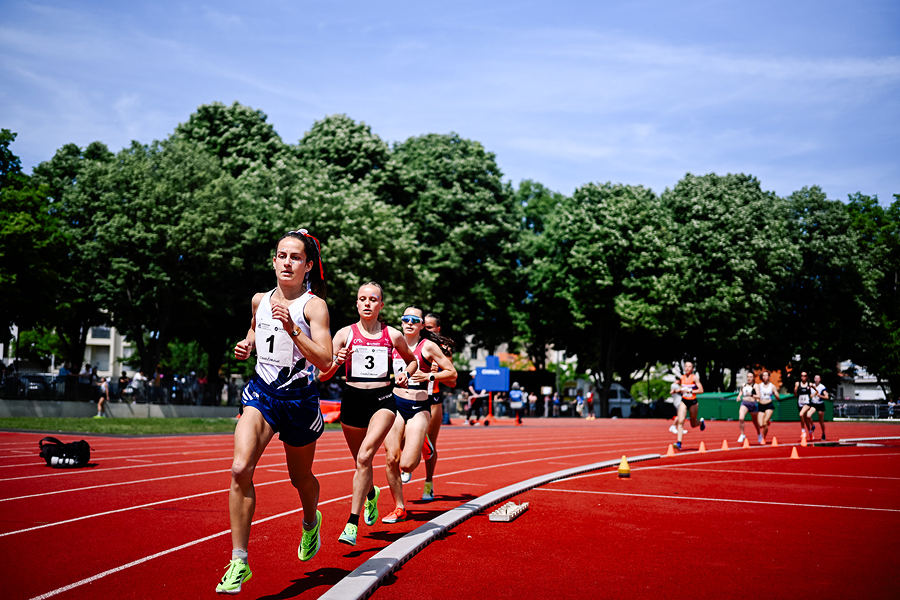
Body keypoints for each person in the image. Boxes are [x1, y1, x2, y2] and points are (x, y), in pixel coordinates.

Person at [216, 229, 333, 595]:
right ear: (274, 260)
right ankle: (239, 560)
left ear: (308, 266)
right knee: (239, 468)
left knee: (300, 479)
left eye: (295, 257)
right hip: (262, 394)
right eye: (281, 255)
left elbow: (326, 360)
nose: (287, 262)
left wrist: (293, 328)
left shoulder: (313, 306)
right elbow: (254, 329)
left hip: (299, 401)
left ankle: (311, 521)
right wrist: (246, 345)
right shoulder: (259, 300)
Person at [319, 282, 418, 546]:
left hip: (382, 400)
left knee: (365, 456)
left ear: (381, 305)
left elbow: (412, 360)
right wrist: (337, 360)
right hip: (352, 401)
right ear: (357, 304)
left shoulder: (392, 335)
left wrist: (405, 374)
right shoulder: (343, 334)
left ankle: (351, 524)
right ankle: (371, 494)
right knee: (360, 463)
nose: (367, 303)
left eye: (372, 299)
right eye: (362, 299)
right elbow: (320, 373)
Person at [382, 306, 457, 523]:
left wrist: (429, 377)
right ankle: (399, 507)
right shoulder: (393, 341)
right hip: (395, 403)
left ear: (421, 325)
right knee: (391, 458)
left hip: (419, 406)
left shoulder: (429, 347)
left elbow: (452, 373)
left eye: (415, 320)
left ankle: (425, 445)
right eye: (406, 319)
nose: (409, 323)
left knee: (406, 464)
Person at [421, 312, 456, 501]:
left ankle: (428, 483)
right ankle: (420, 443)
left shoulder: (444, 349)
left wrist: (439, 372)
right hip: (410, 397)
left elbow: (452, 381)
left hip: (433, 399)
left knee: (431, 445)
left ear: (438, 329)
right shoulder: (413, 342)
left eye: (429, 327)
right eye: (423, 325)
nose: (425, 329)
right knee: (401, 439)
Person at [674, 361, 705, 450]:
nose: (687, 368)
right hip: (684, 401)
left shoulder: (694, 378)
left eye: (689, 366)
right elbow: (682, 387)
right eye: (686, 366)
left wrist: (691, 391)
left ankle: (701, 422)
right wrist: (676, 391)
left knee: (693, 424)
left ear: (692, 369)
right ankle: (679, 443)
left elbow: (701, 390)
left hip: (693, 402)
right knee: (681, 421)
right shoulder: (682, 377)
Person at [736, 372, 760, 444]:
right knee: (741, 418)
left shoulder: (755, 385)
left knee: (755, 422)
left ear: (753, 378)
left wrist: (752, 395)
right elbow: (741, 392)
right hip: (744, 403)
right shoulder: (744, 385)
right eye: (748, 377)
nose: (749, 378)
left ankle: (759, 434)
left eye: (751, 377)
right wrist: (739, 396)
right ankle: (742, 434)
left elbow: (758, 396)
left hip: (752, 404)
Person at [756, 371, 779, 443]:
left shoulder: (772, 386)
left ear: (769, 377)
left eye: (766, 376)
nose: (764, 377)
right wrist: (757, 398)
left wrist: (775, 393)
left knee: (765, 422)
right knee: (760, 424)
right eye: (763, 376)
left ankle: (763, 438)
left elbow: (778, 398)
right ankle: (767, 421)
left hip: (769, 405)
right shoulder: (759, 386)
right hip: (761, 405)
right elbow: (756, 394)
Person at [795, 372, 814, 441]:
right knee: (805, 419)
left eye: (805, 376)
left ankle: (803, 430)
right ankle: (810, 432)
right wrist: (795, 390)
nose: (803, 377)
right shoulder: (797, 384)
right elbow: (795, 394)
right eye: (802, 376)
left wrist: (813, 395)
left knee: (801, 414)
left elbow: (816, 391)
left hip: (807, 403)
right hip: (800, 403)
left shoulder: (810, 384)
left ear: (807, 377)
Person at [809, 374, 829, 441]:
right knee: (808, 415)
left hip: (820, 404)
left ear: (820, 379)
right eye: (815, 378)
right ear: (814, 379)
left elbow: (827, 397)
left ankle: (823, 433)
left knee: (821, 421)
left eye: (818, 378)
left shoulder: (822, 387)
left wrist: (820, 396)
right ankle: (813, 426)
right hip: (813, 404)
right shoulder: (812, 386)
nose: (817, 379)